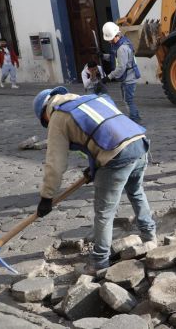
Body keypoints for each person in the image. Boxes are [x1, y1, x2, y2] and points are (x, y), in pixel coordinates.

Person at [32, 86, 156, 272]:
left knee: (104, 212)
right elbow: (103, 132)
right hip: (139, 143)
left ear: (45, 115)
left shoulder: (58, 117)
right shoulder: (92, 100)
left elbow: (55, 164)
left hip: (116, 155)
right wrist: (94, 167)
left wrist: (46, 197)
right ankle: (150, 237)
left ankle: (100, 262)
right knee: (136, 192)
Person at [101, 22, 142, 123]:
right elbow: (114, 58)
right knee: (128, 100)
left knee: (129, 100)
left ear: (116, 35)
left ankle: (135, 120)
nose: (109, 42)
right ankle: (136, 117)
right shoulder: (120, 44)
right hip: (127, 78)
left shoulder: (121, 48)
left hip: (129, 79)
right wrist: (103, 56)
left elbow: (121, 68)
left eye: (110, 39)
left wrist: (109, 77)